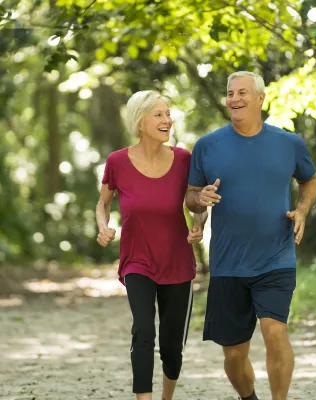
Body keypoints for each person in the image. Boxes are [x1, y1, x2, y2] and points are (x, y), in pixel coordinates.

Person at [186, 71, 316, 400]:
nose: (234, 99)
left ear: (261, 98)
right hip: (228, 262)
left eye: (242, 93)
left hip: (276, 256)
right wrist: (198, 202)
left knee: (275, 331)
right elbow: (191, 196)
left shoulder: (288, 143)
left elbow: (310, 180)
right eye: (230, 94)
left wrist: (301, 210)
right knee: (233, 355)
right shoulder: (207, 146)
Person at [95, 90, 207, 400]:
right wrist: (103, 226)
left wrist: (199, 225)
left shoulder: (184, 159)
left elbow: (197, 202)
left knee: (172, 347)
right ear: (140, 121)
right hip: (137, 261)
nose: (167, 120)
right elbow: (102, 203)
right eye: (158, 114)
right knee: (143, 331)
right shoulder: (117, 161)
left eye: (168, 114)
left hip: (177, 262)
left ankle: (166, 397)